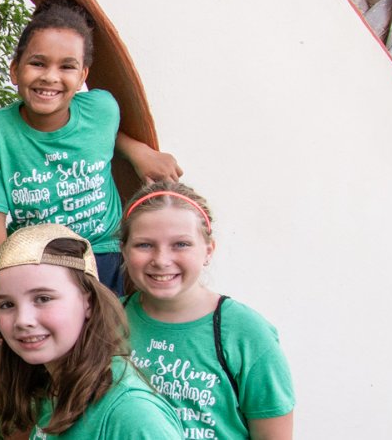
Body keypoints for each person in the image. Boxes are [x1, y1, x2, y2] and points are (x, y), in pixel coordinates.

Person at [0, 0, 184, 413]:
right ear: (15, 70)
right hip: (27, 254)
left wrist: (136, 150)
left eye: (67, 67)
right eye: (38, 63)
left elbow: (102, 129)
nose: (51, 77)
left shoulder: (101, 108)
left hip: (97, 253)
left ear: (83, 75)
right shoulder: (0, 130)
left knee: (83, 362)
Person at [119, 181, 295, 439]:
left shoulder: (246, 333)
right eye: (144, 245)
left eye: (181, 244)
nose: (161, 260)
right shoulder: (103, 321)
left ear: (208, 251)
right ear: (123, 250)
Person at [0, 223, 182, 438]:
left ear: (88, 302)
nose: (23, 320)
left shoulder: (132, 413)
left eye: (43, 298)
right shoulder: (52, 383)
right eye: (6, 305)